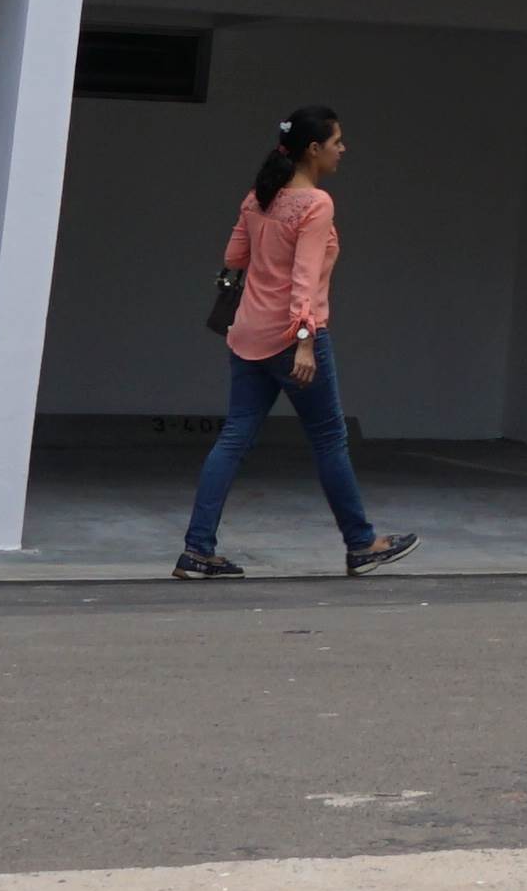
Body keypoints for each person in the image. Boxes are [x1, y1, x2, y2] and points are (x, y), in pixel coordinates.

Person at [177, 104, 415, 581]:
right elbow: (304, 278)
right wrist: (305, 340)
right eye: (336, 142)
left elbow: (234, 256)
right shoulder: (316, 204)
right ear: (313, 149)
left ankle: (197, 551)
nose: (342, 149)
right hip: (294, 338)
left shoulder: (258, 197)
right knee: (329, 439)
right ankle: (360, 543)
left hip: (248, 335)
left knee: (233, 440)